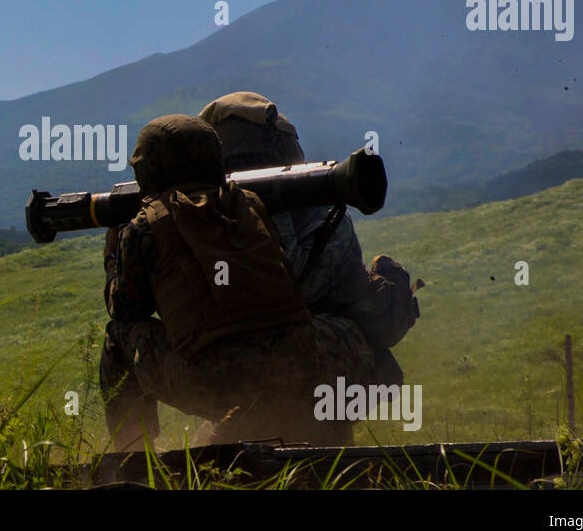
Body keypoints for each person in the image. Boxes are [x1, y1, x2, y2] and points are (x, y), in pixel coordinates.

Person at [99, 114, 375, 452]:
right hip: (296, 372)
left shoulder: (144, 226)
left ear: (148, 170)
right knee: (345, 331)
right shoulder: (251, 206)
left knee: (118, 335)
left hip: (215, 385)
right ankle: (321, 437)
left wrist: (114, 258)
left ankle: (134, 457)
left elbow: (127, 309)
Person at [197, 91, 418, 405]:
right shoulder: (324, 218)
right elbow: (297, 289)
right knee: (379, 362)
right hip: (281, 364)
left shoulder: (185, 213)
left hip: (209, 364)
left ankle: (131, 446)